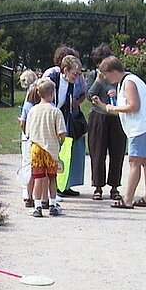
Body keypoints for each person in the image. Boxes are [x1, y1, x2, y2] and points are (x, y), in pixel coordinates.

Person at [90, 56, 146, 209]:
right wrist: (103, 105)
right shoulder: (125, 82)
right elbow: (122, 110)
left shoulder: (129, 82)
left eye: (105, 74)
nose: (105, 77)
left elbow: (133, 106)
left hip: (142, 127)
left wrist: (114, 108)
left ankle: (128, 199)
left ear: (113, 71)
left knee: (134, 162)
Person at [86, 44, 127, 201]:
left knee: (117, 152)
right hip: (99, 116)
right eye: (99, 64)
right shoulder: (93, 75)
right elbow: (90, 95)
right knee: (98, 153)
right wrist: (97, 81)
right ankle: (97, 186)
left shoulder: (117, 76)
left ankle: (114, 186)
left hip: (117, 116)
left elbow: (125, 93)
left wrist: (115, 93)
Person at [24, 78, 66, 217]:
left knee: (38, 177)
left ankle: (37, 207)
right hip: (51, 149)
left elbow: (28, 131)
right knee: (51, 178)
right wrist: (61, 142)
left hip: (36, 148)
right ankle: (52, 204)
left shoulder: (32, 111)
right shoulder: (55, 111)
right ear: (52, 93)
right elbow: (62, 132)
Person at [47, 53, 86, 198]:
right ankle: (48, 191)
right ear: (65, 70)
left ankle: (60, 187)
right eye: (75, 74)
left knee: (59, 155)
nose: (77, 77)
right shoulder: (52, 81)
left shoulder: (70, 84)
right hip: (48, 122)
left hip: (59, 122)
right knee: (49, 155)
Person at [18, 78, 41, 207]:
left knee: (29, 165)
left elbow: (22, 122)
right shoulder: (37, 106)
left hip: (29, 137)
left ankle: (28, 195)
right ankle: (35, 195)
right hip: (36, 138)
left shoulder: (27, 105)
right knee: (34, 166)